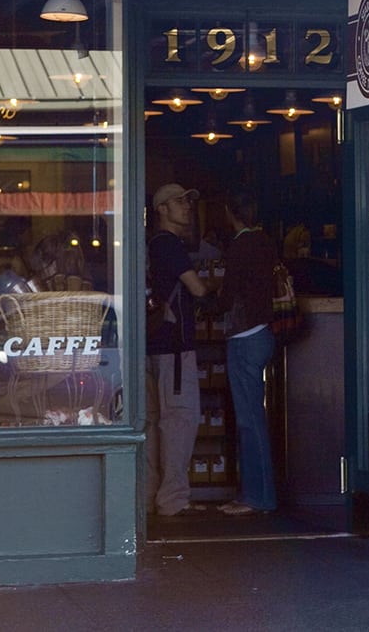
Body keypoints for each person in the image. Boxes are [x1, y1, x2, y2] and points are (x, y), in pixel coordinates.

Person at [145, 183, 210, 518]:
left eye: (188, 201)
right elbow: (197, 288)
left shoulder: (155, 245)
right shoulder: (168, 244)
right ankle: (172, 499)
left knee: (159, 421)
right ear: (162, 210)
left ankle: (157, 494)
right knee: (179, 421)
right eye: (179, 202)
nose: (187, 207)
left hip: (157, 345)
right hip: (174, 347)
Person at [217, 187, 277, 516]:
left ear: (230, 212)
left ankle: (257, 497)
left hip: (244, 336)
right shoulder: (266, 242)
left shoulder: (240, 246)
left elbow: (228, 297)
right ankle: (257, 494)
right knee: (254, 418)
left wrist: (207, 301)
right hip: (265, 333)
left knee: (249, 420)